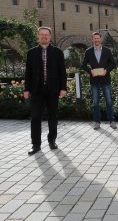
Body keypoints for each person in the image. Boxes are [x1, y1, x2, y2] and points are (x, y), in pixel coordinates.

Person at [24, 26, 67, 155]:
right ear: (38, 36)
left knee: (53, 117)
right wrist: (26, 89)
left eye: (46, 35)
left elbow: (62, 72)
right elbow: (28, 73)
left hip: (53, 90)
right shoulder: (31, 53)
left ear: (50, 37)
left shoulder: (58, 52)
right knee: (35, 117)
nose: (44, 36)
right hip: (36, 90)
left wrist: (63, 88)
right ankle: (36, 145)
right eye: (41, 34)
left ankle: (52, 141)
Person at [81, 32, 117, 130]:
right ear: (92, 39)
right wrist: (90, 71)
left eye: (98, 38)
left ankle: (112, 121)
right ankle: (97, 122)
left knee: (109, 101)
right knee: (95, 102)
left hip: (105, 80)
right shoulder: (88, 51)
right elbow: (83, 65)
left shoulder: (107, 51)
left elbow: (113, 63)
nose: (96, 40)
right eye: (95, 38)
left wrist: (106, 70)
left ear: (100, 39)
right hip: (94, 81)